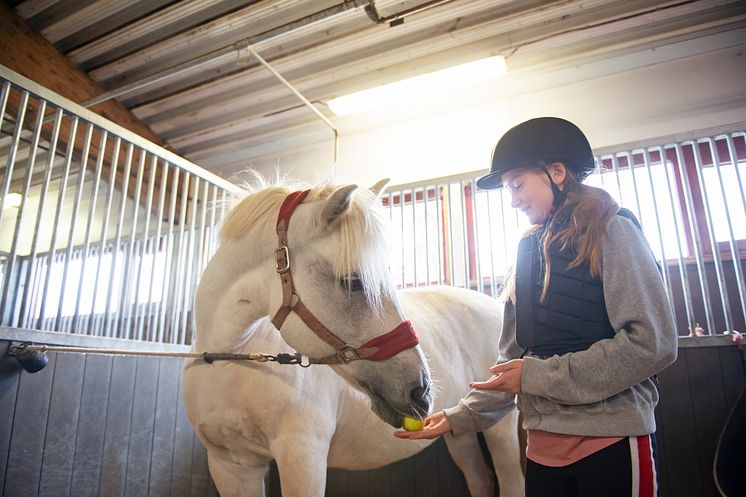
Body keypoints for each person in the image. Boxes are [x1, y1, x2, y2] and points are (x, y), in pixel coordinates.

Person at [395, 117, 678, 497]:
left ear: (557, 172)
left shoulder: (614, 230)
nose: (512, 199)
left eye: (517, 184)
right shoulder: (526, 252)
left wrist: (535, 377)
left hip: (610, 439)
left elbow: (652, 344)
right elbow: (513, 364)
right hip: (542, 449)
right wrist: (457, 417)